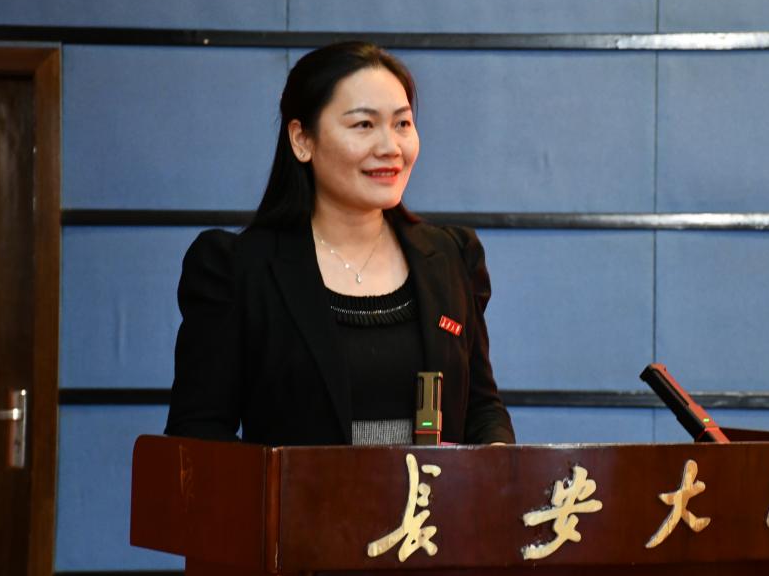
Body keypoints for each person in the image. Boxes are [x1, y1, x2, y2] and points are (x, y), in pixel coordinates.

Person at [164, 42, 514, 446]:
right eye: (363, 125)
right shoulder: (236, 269)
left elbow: (481, 408)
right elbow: (198, 433)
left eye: (402, 124)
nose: (390, 147)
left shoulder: (451, 257)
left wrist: (498, 461)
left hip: (432, 493)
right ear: (302, 139)